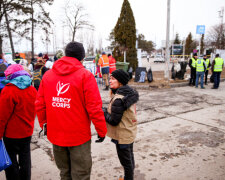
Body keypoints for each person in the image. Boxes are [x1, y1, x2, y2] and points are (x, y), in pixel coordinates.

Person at [35, 41, 107, 180]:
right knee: (81, 175)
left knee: (64, 173)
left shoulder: (48, 76)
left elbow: (40, 104)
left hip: (56, 135)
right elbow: (94, 108)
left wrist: (45, 125)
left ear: (66, 54)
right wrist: (101, 130)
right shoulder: (85, 76)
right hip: (78, 137)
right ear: (82, 58)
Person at [0, 64, 37, 180]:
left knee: (11, 163)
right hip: (27, 131)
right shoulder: (32, 89)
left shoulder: (8, 90)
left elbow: (2, 116)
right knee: (25, 160)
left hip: (11, 134)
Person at [103, 69, 139, 180]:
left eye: (113, 79)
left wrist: (103, 112)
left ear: (121, 82)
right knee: (130, 158)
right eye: (110, 78)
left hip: (122, 135)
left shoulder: (119, 99)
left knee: (126, 162)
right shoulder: (129, 94)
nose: (110, 80)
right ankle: (128, 177)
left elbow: (114, 121)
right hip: (129, 131)